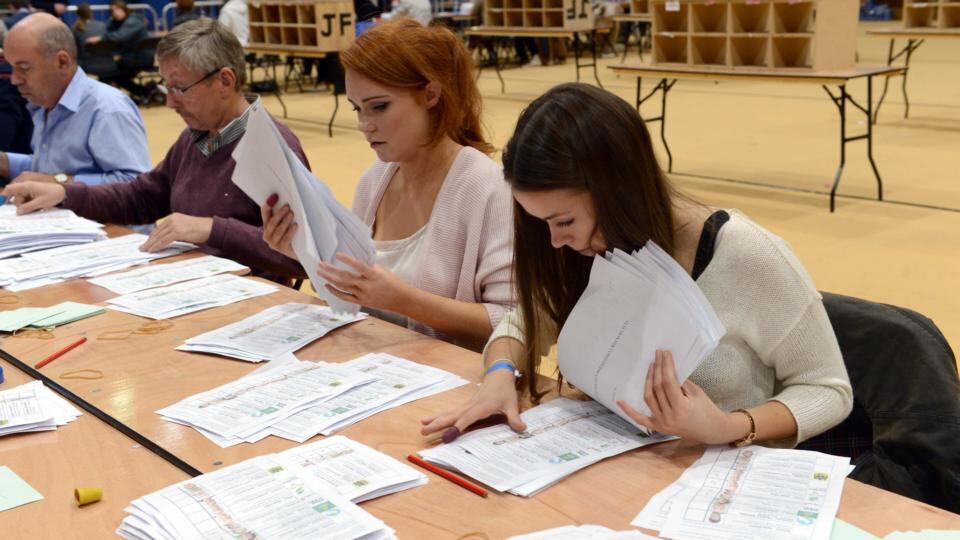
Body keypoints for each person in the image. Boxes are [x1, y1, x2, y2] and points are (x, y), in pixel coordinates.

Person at [422, 83, 853, 448]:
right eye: (544, 224)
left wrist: (729, 426)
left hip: (715, 472)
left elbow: (828, 390)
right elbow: (523, 322)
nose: (556, 241)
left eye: (565, 221)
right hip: (618, 459)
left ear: (617, 189)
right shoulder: (587, 249)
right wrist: (500, 373)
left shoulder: (745, 255)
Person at [261, 20, 513, 349]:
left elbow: (512, 322)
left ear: (431, 94)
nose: (365, 125)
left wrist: (404, 300)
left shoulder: (487, 188)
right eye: (357, 108)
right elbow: (358, 293)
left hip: (449, 379)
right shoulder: (375, 179)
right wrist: (303, 252)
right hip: (377, 369)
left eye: (379, 107)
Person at [3, 19, 308, 282]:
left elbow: (301, 256)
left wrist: (213, 229)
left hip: (252, 303)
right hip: (193, 285)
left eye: (179, 89)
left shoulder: (272, 148)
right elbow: (141, 197)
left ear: (224, 81)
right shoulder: (195, 137)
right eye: (166, 88)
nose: (170, 102)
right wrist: (64, 193)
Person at [0, 13, 148, 187]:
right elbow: (50, 168)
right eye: (12, 68)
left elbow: (135, 185)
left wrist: (56, 182)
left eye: (24, 68)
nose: (14, 79)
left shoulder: (107, 109)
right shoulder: (44, 105)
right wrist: (5, 162)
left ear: (62, 62)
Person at [87, 0, 153, 101]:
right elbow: (107, 30)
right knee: (108, 72)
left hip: (141, 58)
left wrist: (101, 38)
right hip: (130, 58)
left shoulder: (133, 21)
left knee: (110, 73)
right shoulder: (118, 22)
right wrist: (112, 20)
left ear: (125, 9)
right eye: (112, 11)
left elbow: (120, 36)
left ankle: (143, 91)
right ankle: (143, 91)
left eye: (118, 9)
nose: (115, 12)